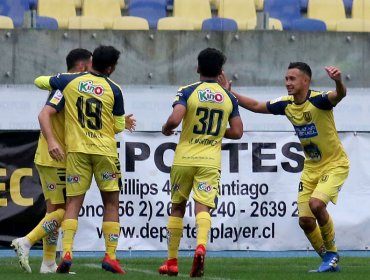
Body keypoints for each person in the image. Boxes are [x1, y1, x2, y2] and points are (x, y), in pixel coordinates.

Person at [219, 62, 349, 272]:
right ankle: (328, 259)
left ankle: (332, 254)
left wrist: (338, 81)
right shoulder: (286, 104)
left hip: (335, 165)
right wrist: (230, 94)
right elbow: (255, 106)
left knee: (317, 205)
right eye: (286, 79)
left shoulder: (319, 100)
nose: (287, 83)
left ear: (305, 81)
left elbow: (339, 95)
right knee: (306, 221)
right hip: (311, 168)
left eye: (292, 79)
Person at [34, 45, 133, 274]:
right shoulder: (114, 89)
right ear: (110, 67)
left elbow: (39, 81)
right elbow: (118, 126)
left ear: (92, 61)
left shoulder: (70, 81)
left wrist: (63, 79)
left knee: (73, 204)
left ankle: (67, 252)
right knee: (111, 203)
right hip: (104, 152)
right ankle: (110, 256)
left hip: (77, 152)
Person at [158, 48, 243, 277]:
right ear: (220, 72)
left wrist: (166, 129)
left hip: (184, 159)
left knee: (177, 206)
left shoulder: (187, 91)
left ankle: (172, 261)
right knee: (202, 207)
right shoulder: (229, 98)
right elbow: (237, 132)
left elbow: (175, 119)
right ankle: (201, 246)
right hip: (209, 161)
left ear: (197, 67)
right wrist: (214, 134)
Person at [11, 48, 93, 274]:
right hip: (55, 157)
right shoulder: (64, 88)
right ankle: (26, 241)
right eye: (90, 66)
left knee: (54, 210)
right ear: (82, 67)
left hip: (57, 156)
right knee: (66, 211)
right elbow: (43, 114)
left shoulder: (73, 89)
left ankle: (48, 263)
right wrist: (53, 142)